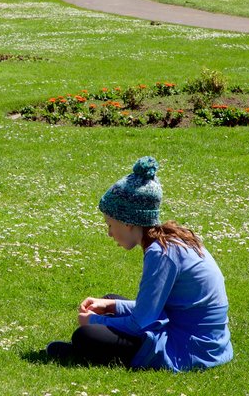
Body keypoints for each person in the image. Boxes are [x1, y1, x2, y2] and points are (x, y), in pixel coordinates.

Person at [45, 156, 233, 372]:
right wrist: (111, 307)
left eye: (110, 224)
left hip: (190, 348)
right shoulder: (169, 240)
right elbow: (153, 309)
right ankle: (91, 343)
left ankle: (84, 350)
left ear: (127, 222)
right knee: (109, 301)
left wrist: (94, 322)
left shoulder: (161, 254)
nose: (109, 233)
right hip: (199, 336)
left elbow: (139, 323)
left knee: (86, 334)